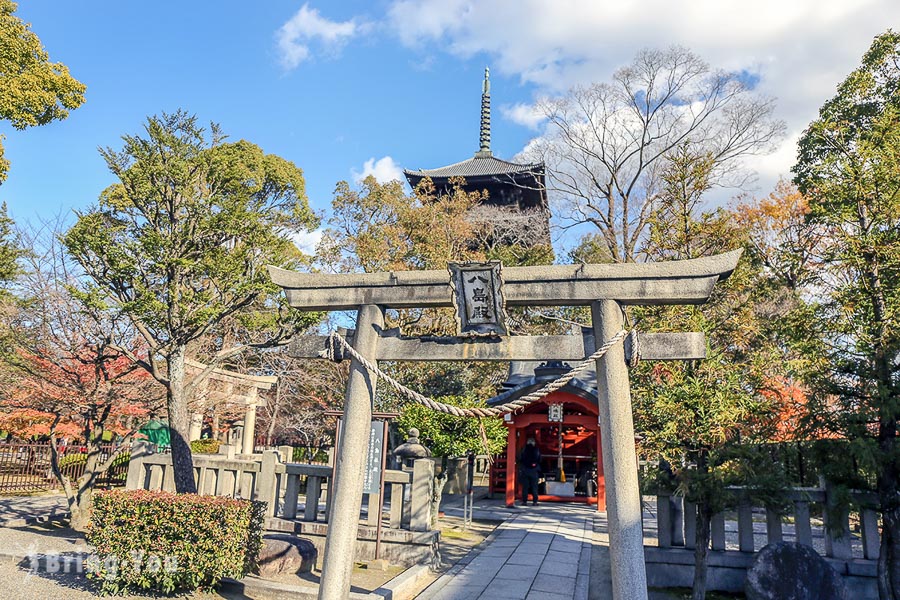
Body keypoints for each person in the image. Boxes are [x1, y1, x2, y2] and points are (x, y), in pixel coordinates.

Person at [519, 437, 541, 506]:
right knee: (534, 486)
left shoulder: (524, 449)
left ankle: (524, 501)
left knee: (525, 487)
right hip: (534, 470)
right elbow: (539, 459)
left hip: (525, 469)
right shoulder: (536, 450)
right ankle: (535, 501)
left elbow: (520, 458)